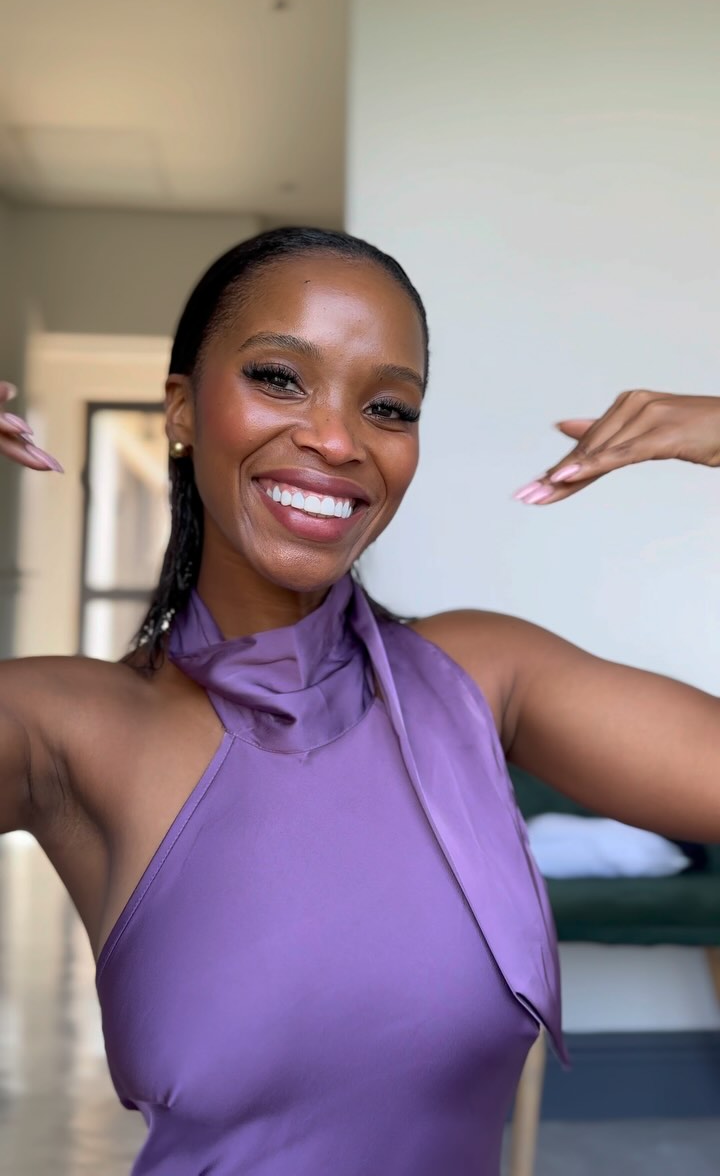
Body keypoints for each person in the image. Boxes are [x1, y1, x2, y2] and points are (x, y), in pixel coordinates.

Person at [0, 225, 718, 1176]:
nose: (337, 440)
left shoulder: (482, 674)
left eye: (387, 406)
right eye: (279, 378)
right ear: (181, 409)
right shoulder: (61, 724)